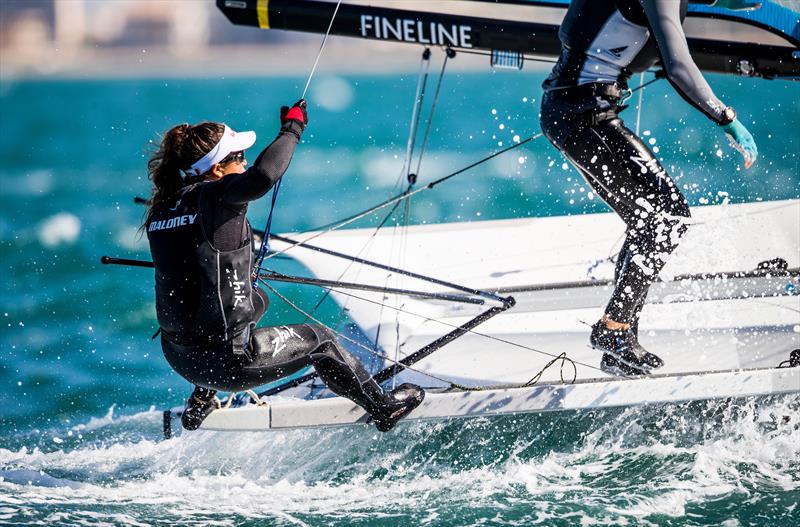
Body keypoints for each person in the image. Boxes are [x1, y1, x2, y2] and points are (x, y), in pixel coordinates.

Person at [144, 100, 424, 431]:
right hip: (228, 362)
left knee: (258, 299)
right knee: (322, 340)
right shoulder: (216, 198)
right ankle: (383, 406)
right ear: (216, 170)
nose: (245, 162)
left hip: (181, 359)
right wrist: (292, 129)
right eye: (237, 158)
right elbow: (264, 175)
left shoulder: (162, 209)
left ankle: (202, 398)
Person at [539, 0, 758, 376]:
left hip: (584, 111)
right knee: (666, 217)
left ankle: (618, 337)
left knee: (653, 220)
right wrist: (726, 118)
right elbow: (678, 67)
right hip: (582, 115)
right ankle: (614, 331)